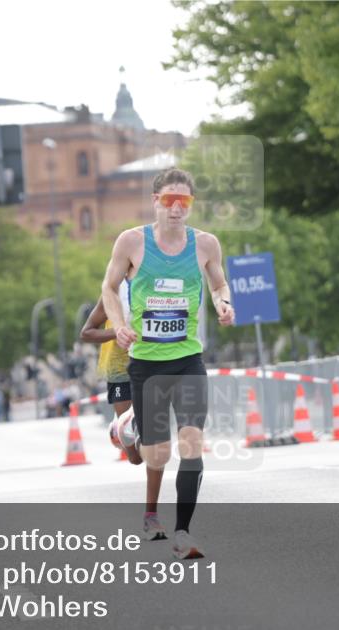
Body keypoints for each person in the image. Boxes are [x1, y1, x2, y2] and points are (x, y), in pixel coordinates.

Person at [101, 167, 235, 559]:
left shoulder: (206, 244)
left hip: (188, 360)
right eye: (169, 200)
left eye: (185, 202)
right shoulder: (131, 242)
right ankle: (130, 429)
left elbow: (218, 283)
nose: (177, 208)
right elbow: (109, 288)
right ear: (155, 202)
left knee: (191, 443)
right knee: (156, 455)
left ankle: (183, 533)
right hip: (146, 363)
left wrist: (224, 304)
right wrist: (121, 326)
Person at [81, 288, 170, 541]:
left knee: (155, 442)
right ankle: (120, 430)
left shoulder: (159, 286)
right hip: (120, 369)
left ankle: (151, 515)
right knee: (135, 458)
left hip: (153, 365)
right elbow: (86, 332)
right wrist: (117, 332)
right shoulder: (113, 291)